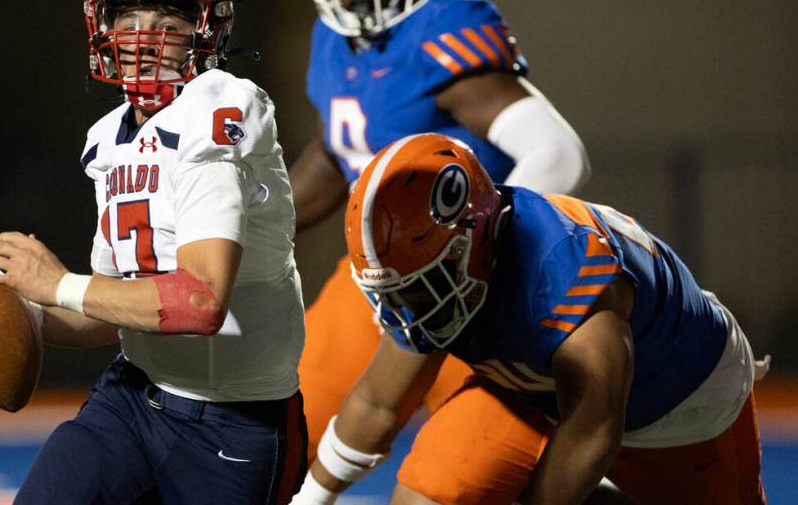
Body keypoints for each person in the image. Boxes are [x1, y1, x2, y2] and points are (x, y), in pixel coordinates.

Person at [0, 0, 308, 504]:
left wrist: (59, 284)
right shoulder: (109, 139)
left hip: (236, 423)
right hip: (133, 399)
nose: (144, 31)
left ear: (208, 31)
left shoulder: (218, 108)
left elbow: (199, 302)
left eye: (169, 13)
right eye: (128, 12)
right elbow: (116, 309)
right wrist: (22, 315)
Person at [289, 0, 591, 465]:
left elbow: (558, 152)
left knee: (480, 469)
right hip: (373, 277)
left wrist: (482, 250)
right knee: (289, 430)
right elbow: (338, 151)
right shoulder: (332, 38)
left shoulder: (443, 24)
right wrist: (254, 224)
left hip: (466, 281)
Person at [292, 132, 767, 505]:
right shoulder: (435, 269)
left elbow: (595, 427)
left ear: (473, 241)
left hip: (681, 400)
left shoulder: (566, 271)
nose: (411, 305)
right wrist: (311, 498)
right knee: (434, 490)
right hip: (531, 389)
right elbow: (378, 403)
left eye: (422, 285)